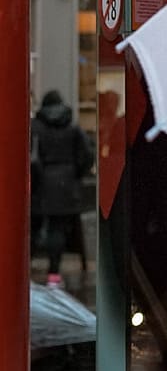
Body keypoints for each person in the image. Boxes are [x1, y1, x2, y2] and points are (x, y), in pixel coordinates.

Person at [31, 89, 94, 284]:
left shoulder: (36, 127)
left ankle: (27, 269)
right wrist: (76, 173)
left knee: (34, 227)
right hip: (66, 183)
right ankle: (54, 272)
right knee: (58, 229)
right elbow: (87, 154)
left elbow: (31, 157)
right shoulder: (72, 127)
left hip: (42, 182)